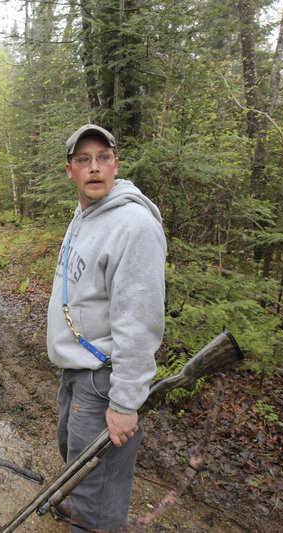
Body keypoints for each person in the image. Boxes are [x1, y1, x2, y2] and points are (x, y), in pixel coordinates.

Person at [47, 124, 166, 531]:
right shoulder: (86, 213)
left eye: (102, 158)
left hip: (105, 380)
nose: (94, 168)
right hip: (80, 371)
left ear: (115, 164)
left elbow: (139, 322)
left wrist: (126, 402)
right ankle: (79, 508)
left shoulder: (133, 226)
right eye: (84, 160)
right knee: (78, 466)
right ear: (70, 171)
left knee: (98, 494)